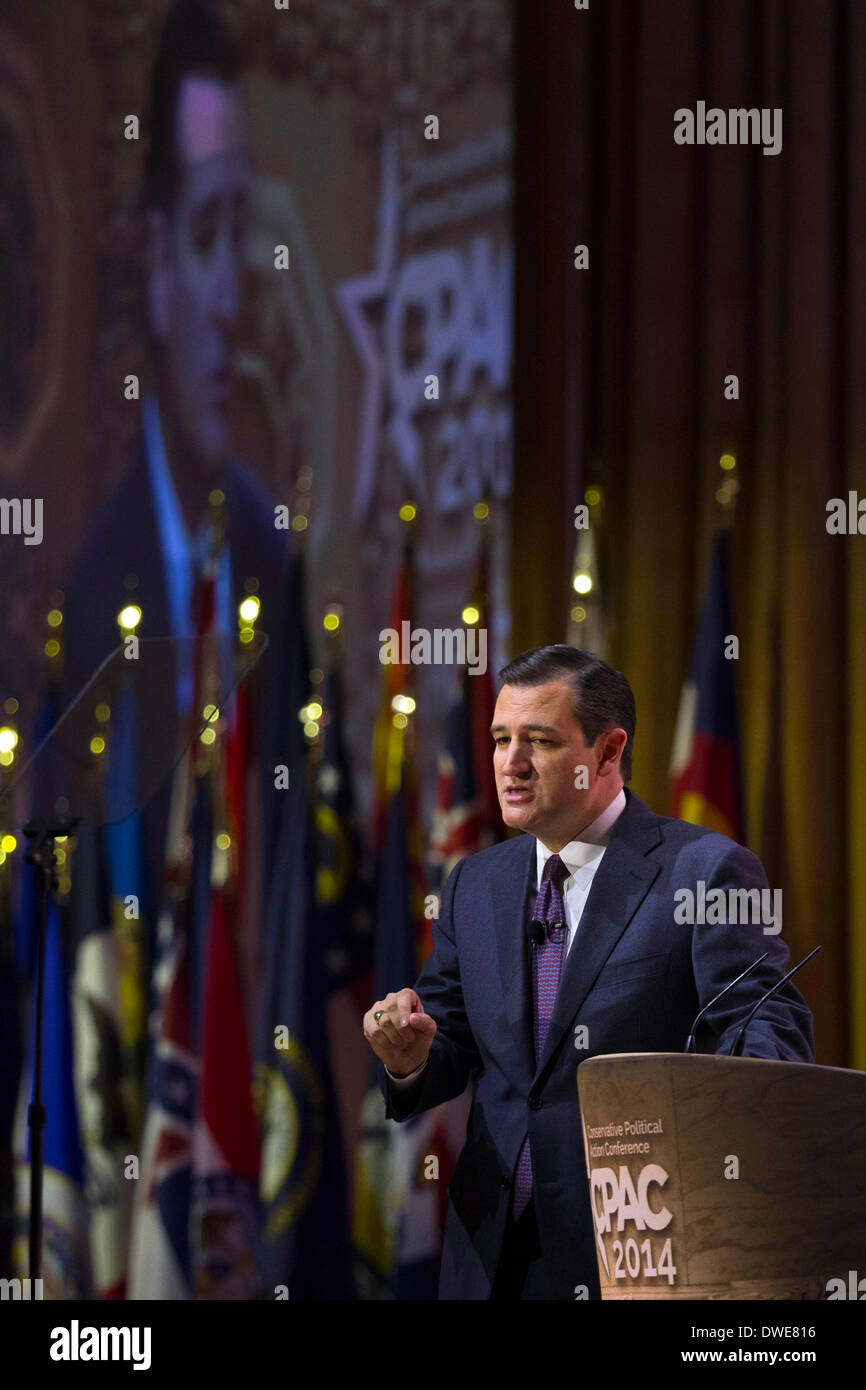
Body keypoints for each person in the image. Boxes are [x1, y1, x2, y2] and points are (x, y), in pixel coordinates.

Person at [363, 645, 814, 1299]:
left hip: (633, 1257)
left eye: (538, 741)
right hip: (486, 1260)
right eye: (500, 740)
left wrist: (739, 1118)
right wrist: (407, 1057)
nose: (510, 764)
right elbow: (450, 1039)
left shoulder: (704, 871)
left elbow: (769, 1033)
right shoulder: (475, 884)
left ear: (608, 752)